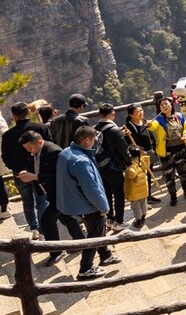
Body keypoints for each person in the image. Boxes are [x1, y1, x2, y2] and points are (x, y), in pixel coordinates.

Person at [57, 125, 120, 280]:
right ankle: (85, 268)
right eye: (93, 140)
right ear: (86, 140)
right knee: (94, 235)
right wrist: (103, 207)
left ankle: (105, 254)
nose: (94, 143)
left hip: (73, 201)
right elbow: (91, 188)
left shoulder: (66, 152)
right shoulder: (81, 161)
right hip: (88, 205)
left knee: (99, 229)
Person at [20, 131, 84, 264]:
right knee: (66, 217)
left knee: (47, 221)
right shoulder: (35, 151)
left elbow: (58, 176)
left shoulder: (54, 152)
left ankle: (56, 251)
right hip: (50, 192)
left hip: (60, 192)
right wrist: (26, 172)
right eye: (26, 148)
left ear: (39, 142)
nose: (28, 151)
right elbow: (34, 166)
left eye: (30, 147)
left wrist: (35, 177)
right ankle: (80, 241)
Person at [2, 102, 50, 234]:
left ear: (14, 116)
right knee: (42, 200)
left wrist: (15, 168)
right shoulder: (40, 128)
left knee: (27, 201)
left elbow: (5, 156)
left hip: (19, 173)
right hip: (38, 171)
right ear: (28, 112)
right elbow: (49, 148)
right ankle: (44, 228)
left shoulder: (8, 135)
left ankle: (34, 228)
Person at [148, 97, 186, 205]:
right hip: (167, 152)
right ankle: (173, 196)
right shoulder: (159, 120)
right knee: (169, 175)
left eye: (166, 103)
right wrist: (149, 124)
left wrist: (185, 134)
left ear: (171, 104)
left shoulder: (179, 116)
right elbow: (153, 126)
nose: (164, 106)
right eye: (161, 105)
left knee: (183, 172)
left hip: (181, 148)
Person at [94, 104, 132, 228]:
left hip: (100, 166)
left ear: (99, 114)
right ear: (113, 114)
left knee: (107, 193)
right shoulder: (115, 130)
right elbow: (123, 149)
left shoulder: (94, 128)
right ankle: (119, 222)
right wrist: (129, 162)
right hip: (114, 167)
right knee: (119, 194)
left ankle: (109, 219)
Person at [125, 104, 160, 203]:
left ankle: (148, 196)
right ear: (131, 115)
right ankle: (142, 199)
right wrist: (139, 150)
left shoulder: (145, 122)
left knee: (149, 175)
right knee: (141, 177)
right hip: (139, 156)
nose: (141, 113)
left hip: (149, 153)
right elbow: (129, 142)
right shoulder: (129, 127)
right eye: (138, 112)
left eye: (141, 110)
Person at [124, 146, 152, 229]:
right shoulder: (142, 162)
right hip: (143, 189)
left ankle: (139, 220)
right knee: (143, 203)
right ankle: (143, 215)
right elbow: (146, 165)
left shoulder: (133, 165)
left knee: (136, 206)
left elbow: (131, 174)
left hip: (134, 191)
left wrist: (129, 168)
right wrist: (144, 157)